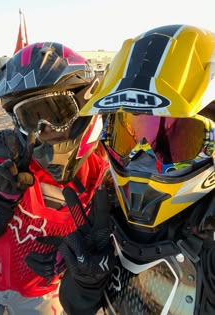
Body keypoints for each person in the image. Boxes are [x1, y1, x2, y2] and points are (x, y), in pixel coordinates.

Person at [26, 24, 215, 314]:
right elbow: (79, 306)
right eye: (128, 137)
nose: (141, 159)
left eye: (173, 138)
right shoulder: (108, 208)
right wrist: (84, 282)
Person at [0, 42, 110, 315]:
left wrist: (71, 261)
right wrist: (0, 200)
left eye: (55, 113)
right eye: (31, 119)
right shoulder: (1, 160)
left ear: (84, 105)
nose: (43, 131)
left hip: (41, 295)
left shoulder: (104, 175)